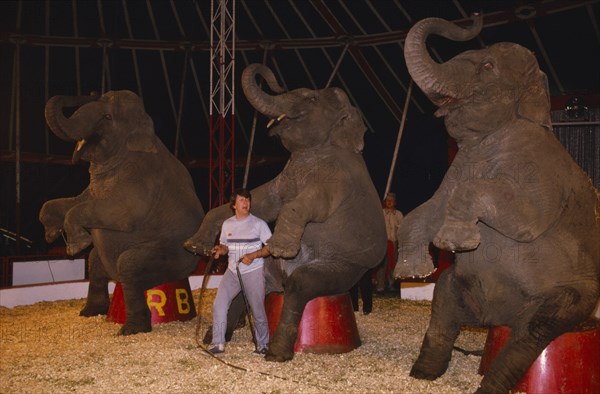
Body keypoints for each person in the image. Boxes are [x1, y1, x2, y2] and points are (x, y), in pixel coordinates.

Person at [208, 188, 272, 355]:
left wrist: (254, 254)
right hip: (232, 271)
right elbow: (225, 247)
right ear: (234, 205)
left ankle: (263, 344)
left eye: (248, 200)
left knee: (257, 308)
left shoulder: (259, 224)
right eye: (242, 200)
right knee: (219, 304)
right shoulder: (227, 224)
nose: (246, 203)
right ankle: (218, 344)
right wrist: (219, 250)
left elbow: (271, 247)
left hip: (253, 271)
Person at [375, 192, 404, 294]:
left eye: (391, 201)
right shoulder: (381, 213)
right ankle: (380, 286)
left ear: (394, 202)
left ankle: (391, 284)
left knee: (393, 263)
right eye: (387, 201)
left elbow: (402, 229)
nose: (389, 202)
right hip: (383, 242)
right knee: (382, 264)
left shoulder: (398, 214)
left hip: (394, 242)